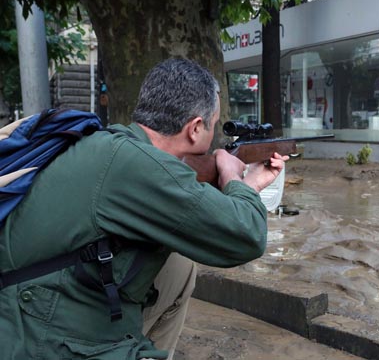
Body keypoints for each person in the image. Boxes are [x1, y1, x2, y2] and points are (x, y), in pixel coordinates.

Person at [0, 58, 287, 360]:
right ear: (195, 128)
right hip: (34, 330)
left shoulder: (113, 145)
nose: (214, 136)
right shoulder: (136, 166)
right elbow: (246, 236)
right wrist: (237, 178)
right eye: (214, 125)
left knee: (178, 269)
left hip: (36, 299)